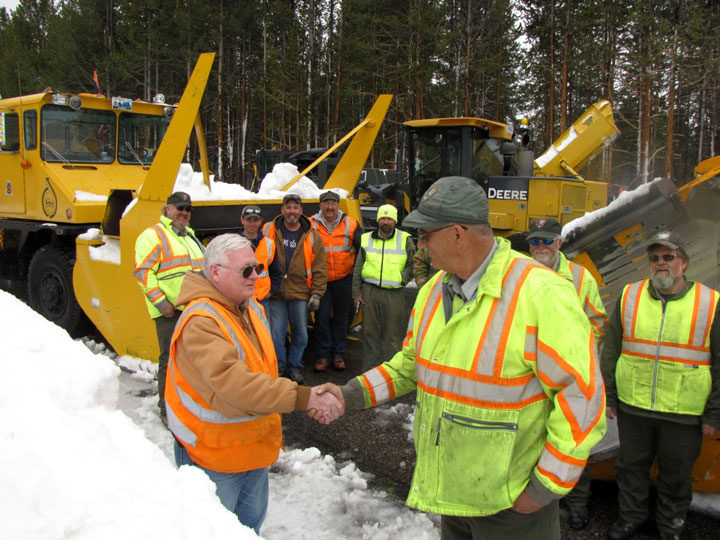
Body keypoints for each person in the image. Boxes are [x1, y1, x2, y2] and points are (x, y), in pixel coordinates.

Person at [316, 176, 606, 539]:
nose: (419, 247)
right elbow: (410, 365)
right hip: (452, 494)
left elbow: (582, 396)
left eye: (425, 235)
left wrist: (546, 486)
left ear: (457, 233)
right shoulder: (435, 292)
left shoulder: (542, 294)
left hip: (512, 505)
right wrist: (348, 395)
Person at [165, 234, 343, 535]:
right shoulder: (201, 321)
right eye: (246, 270)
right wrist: (305, 398)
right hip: (214, 456)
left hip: (253, 448)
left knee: (248, 530)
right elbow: (237, 385)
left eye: (258, 267)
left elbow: (263, 371)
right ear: (216, 272)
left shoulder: (250, 308)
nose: (255, 276)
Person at [601, 230, 720, 540]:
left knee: (676, 474)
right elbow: (611, 350)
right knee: (630, 468)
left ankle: (671, 525)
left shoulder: (710, 303)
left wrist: (713, 415)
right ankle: (631, 518)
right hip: (633, 405)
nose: (661, 264)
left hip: (684, 412)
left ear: (684, 263)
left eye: (668, 257)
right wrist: (610, 396)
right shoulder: (630, 297)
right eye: (654, 258)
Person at [527, 217, 609, 531]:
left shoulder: (579, 277)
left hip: (566, 375)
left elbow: (597, 321)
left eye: (547, 240)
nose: (541, 247)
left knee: (571, 437)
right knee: (533, 435)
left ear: (559, 243)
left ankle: (577, 502)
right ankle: (537, 499)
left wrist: (572, 352)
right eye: (535, 241)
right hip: (529, 375)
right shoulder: (520, 272)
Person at [134, 191, 205, 425]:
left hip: (192, 309)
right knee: (170, 360)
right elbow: (143, 273)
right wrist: (162, 304)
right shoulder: (153, 235)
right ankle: (166, 409)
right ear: (167, 210)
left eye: (187, 209)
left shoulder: (190, 237)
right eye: (179, 208)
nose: (184, 213)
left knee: (193, 359)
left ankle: (189, 402)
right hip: (170, 313)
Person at [263, 193, 327, 384]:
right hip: (276, 292)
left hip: (300, 293)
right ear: (282, 210)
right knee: (277, 334)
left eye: (295, 208)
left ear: (301, 211)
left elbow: (320, 267)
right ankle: (279, 367)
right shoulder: (269, 230)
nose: (292, 211)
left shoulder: (312, 235)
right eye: (288, 207)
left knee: (301, 334)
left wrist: (316, 293)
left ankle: (295, 366)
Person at [352, 204, 415, 371]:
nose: (386, 222)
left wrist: (403, 279)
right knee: (369, 334)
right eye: (383, 218)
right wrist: (356, 293)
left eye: (389, 219)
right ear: (378, 220)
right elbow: (358, 267)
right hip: (370, 293)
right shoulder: (366, 239)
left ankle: (391, 374)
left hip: (394, 294)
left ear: (394, 221)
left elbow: (413, 264)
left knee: (392, 336)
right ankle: (369, 372)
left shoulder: (405, 239)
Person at [310, 190, 362, 372]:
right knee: (321, 317)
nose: (330, 207)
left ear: (338, 205)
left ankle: (338, 354)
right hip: (321, 280)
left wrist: (357, 278)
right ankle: (323, 355)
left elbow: (362, 252)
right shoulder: (310, 224)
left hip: (344, 279)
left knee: (341, 318)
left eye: (333, 203)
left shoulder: (351, 223)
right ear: (320, 206)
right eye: (326, 203)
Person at [239, 204, 281, 318]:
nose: (252, 223)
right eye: (249, 220)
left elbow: (276, 272)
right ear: (242, 220)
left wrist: (271, 292)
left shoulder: (269, 244)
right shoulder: (234, 244)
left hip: (262, 299)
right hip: (241, 300)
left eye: (255, 220)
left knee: (264, 333)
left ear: (261, 221)